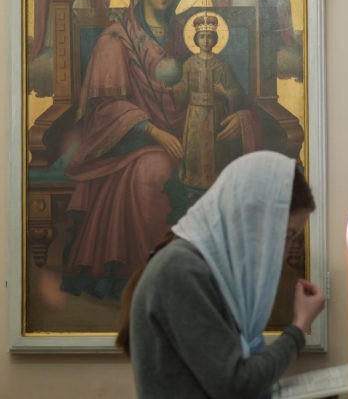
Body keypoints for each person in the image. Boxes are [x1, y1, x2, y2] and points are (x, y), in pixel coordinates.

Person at [117, 151, 326, 398]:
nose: (284, 252)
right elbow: (237, 385)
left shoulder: (206, 270)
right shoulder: (181, 269)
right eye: (286, 235)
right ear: (252, 219)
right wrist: (299, 328)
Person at [60, 0, 190, 298]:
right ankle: (149, 276)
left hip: (188, 135)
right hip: (127, 145)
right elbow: (105, 108)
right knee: (153, 169)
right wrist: (153, 131)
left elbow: (207, 86)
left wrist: (236, 114)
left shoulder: (185, 37)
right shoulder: (115, 40)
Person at [173, 14, 261, 196]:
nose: (206, 41)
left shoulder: (222, 65)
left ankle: (217, 186)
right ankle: (193, 185)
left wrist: (225, 92)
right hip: (195, 115)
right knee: (195, 149)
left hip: (217, 113)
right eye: (202, 36)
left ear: (215, 39)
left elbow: (237, 92)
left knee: (217, 150)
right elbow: (182, 89)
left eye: (209, 37)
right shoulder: (189, 64)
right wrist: (172, 89)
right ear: (196, 39)